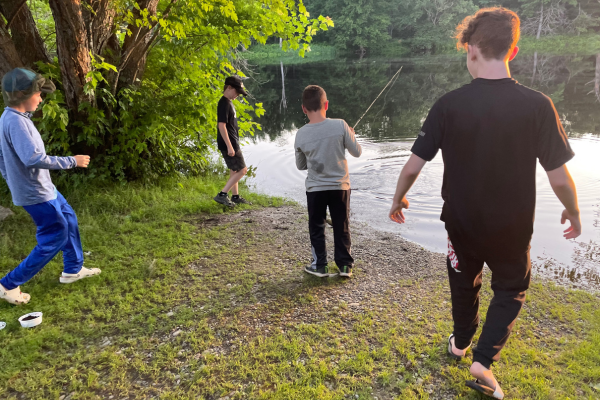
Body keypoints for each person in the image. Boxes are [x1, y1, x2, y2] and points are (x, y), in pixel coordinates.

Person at [388, 8, 581, 399]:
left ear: (472, 49)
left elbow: (412, 167)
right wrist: (573, 211)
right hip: (512, 226)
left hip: (461, 223)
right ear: (513, 51)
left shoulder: (448, 104)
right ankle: (482, 360)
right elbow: (558, 175)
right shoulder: (538, 105)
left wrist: (398, 199)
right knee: (511, 288)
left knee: (463, 282)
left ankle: (460, 343)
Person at [0, 68, 101, 306]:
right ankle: (8, 284)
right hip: (36, 193)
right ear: (23, 96)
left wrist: (14, 182)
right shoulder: (15, 122)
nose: (41, 98)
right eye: (38, 94)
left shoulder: (12, 118)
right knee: (54, 236)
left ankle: (73, 270)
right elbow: (32, 158)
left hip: (43, 188)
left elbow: (2, 160)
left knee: (69, 219)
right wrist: (71, 161)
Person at [295, 85, 362, 278]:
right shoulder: (340, 125)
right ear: (327, 104)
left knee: (316, 226)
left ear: (303, 108)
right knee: (342, 224)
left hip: (315, 189)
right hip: (340, 187)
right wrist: (351, 135)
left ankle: (320, 266)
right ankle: (345, 266)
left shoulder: (300, 134)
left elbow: (300, 165)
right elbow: (357, 152)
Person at [214, 76, 252, 207]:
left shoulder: (228, 102)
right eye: (237, 92)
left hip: (232, 142)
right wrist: (230, 147)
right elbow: (221, 125)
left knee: (234, 170)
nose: (237, 95)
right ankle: (222, 195)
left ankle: (235, 196)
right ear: (229, 87)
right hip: (229, 144)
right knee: (243, 170)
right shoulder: (224, 103)